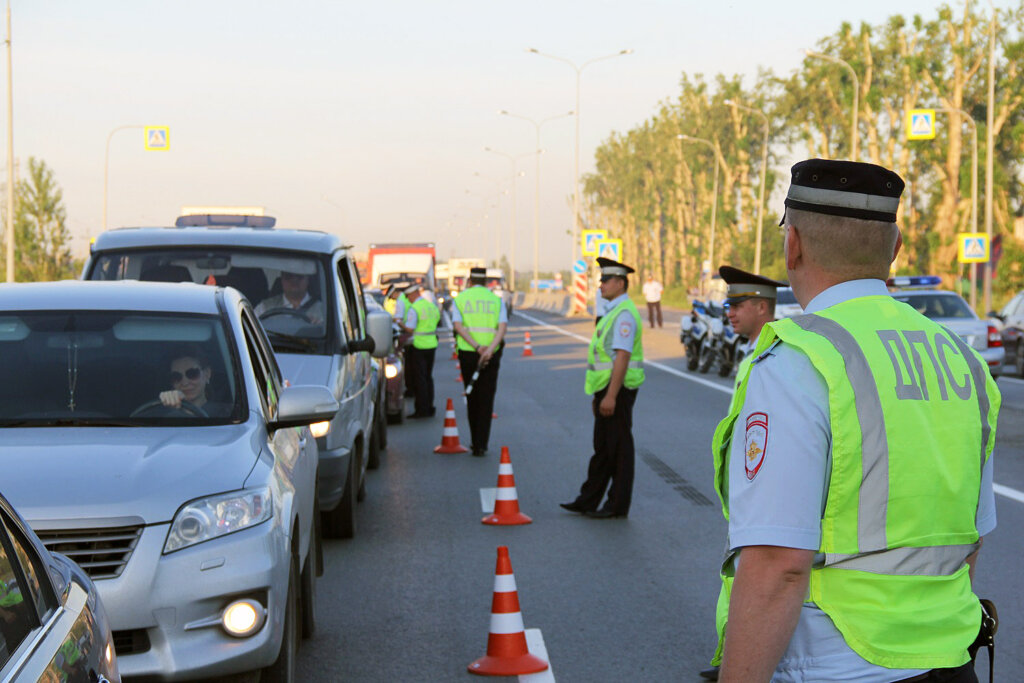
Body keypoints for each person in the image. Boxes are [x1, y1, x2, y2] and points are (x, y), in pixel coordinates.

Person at [715, 159, 1000, 682]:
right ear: (894, 250)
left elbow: (779, 561)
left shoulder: (801, 360)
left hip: (837, 662)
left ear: (792, 245)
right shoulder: (963, 362)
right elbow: (971, 538)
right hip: (950, 659)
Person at [702, 265, 785, 682]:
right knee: (738, 573)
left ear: (762, 306)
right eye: (727, 305)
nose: (729, 312)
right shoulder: (754, 350)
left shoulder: (779, 353)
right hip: (746, 488)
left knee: (758, 576)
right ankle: (731, 655)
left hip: (763, 490)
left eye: (736, 305)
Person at [561, 257, 645, 518]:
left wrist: (610, 396)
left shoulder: (624, 316)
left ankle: (616, 506)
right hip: (607, 389)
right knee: (604, 447)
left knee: (618, 450)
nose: (601, 285)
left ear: (620, 283)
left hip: (617, 390)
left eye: (606, 280)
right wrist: (601, 395)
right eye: (601, 280)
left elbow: (622, 356)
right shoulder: (613, 311)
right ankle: (587, 499)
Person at [452, 266, 508, 456]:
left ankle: (475, 441)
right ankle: (482, 443)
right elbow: (502, 329)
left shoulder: (460, 299)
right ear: (485, 282)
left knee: (472, 396)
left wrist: (477, 347)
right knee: (487, 397)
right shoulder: (496, 300)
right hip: (492, 354)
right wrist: (489, 350)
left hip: (469, 352)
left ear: (469, 281)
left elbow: (458, 327)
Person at [400, 284, 440, 418]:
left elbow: (410, 329)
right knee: (428, 377)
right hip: (432, 344)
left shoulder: (414, 308)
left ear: (413, 294)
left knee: (419, 379)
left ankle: (421, 409)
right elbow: (437, 321)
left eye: (407, 296)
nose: (407, 299)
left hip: (418, 346)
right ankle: (430, 406)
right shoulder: (431, 306)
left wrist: (399, 323)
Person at [158, 349, 228, 416]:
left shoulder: (226, 413)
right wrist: (165, 404)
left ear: (207, 374)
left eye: (192, 373)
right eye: (176, 377)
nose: (185, 383)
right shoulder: (159, 415)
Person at [254, 270, 325, 324]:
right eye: (288, 276)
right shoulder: (264, 308)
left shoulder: (323, 311)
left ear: (308, 279)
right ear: (281, 279)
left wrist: (318, 327)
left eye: (299, 276)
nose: (294, 280)